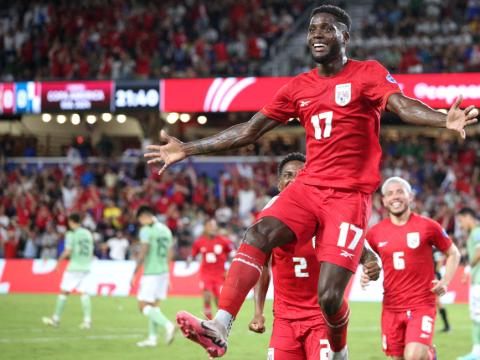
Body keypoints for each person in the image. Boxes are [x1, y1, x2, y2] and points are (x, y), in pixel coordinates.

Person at [144, 5, 478, 359]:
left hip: (349, 196)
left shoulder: (368, 73)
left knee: (330, 298)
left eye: (326, 28)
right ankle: (221, 325)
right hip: (309, 187)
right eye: (312, 28)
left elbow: (402, 105)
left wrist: (442, 120)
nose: (317, 34)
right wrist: (188, 149)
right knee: (257, 234)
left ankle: (339, 352)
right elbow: (249, 130)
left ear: (344, 36)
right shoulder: (298, 87)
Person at [248, 152, 381, 360]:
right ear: (279, 182)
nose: (293, 179)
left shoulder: (327, 213)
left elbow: (360, 247)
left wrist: (371, 261)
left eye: (300, 174)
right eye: (288, 175)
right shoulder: (269, 219)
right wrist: (258, 311)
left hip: (321, 319)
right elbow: (262, 266)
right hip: (284, 320)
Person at [363, 177, 460, 360]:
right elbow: (368, 260)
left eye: (400, 192)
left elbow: (453, 253)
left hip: (421, 304)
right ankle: (429, 355)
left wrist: (445, 281)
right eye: (390, 194)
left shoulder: (427, 226)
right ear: (384, 201)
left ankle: (427, 353)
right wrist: (367, 273)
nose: (395, 197)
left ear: (411, 196)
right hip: (391, 306)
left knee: (413, 357)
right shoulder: (375, 233)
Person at [131, 205, 176, 347]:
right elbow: (170, 254)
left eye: (140, 219)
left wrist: (134, 273)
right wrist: (168, 275)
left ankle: (168, 325)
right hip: (163, 272)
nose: (140, 222)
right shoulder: (166, 230)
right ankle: (152, 338)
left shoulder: (146, 230)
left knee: (142, 306)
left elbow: (143, 251)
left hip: (151, 272)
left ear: (144, 217)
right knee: (153, 306)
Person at [42, 213, 94, 329]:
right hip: (86, 267)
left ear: (71, 222)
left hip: (74, 267)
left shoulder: (71, 234)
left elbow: (68, 251)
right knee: (84, 293)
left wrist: (58, 263)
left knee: (64, 292)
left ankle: (55, 319)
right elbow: (91, 252)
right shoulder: (88, 234)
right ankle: (87, 321)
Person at [189, 218, 235, 319]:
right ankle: (208, 320)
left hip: (220, 275)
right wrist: (189, 259)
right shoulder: (199, 242)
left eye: (214, 226)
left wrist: (229, 269)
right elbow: (193, 253)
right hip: (206, 274)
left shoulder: (224, 241)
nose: (212, 228)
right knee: (207, 296)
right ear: (205, 227)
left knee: (219, 300)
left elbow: (233, 254)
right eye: (210, 226)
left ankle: (221, 320)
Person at [456, 208, 480, 360]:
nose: (460, 225)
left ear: (467, 217)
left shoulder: (477, 231)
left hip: (479, 282)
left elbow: (479, 252)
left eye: (460, 221)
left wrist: (467, 268)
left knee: (476, 315)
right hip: (477, 280)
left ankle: (476, 353)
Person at [433, 249, 451, 332]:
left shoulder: (434, 250)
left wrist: (436, 273)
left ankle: (447, 325)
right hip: (431, 277)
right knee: (436, 301)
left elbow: (440, 261)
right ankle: (447, 325)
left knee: (437, 301)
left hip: (433, 277)